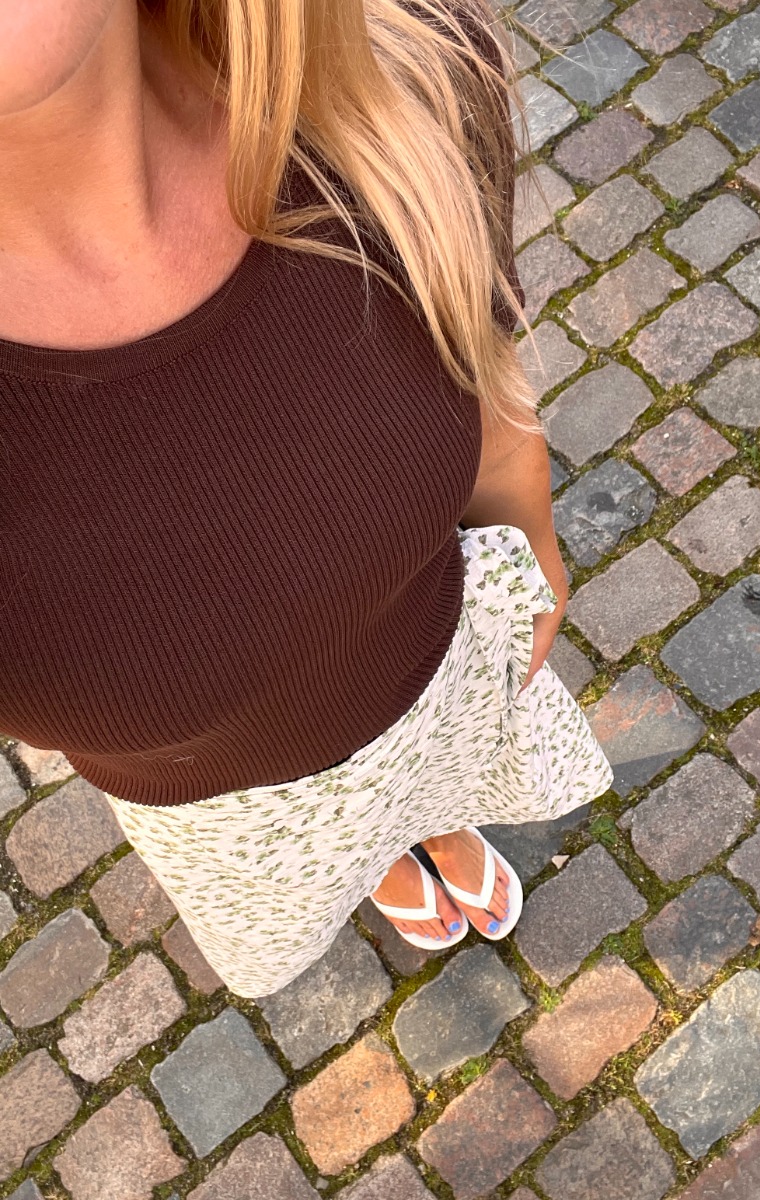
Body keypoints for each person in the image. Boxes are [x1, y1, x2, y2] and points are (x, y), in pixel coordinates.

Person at [0, 0, 612, 997]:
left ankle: (433, 821)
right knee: (340, 842)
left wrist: (533, 552)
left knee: (438, 778)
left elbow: (492, 400)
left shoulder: (402, 84)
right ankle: (369, 856)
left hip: (439, 678)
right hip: (241, 810)